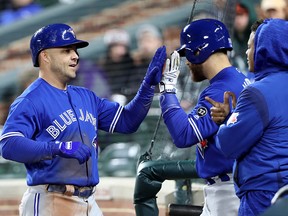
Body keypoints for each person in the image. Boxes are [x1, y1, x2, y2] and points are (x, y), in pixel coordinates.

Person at [0, 23, 166, 216]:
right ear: (44, 56)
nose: (75, 56)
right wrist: (58, 147)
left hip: (89, 201)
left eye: (75, 50)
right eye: (66, 50)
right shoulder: (30, 100)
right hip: (51, 201)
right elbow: (8, 144)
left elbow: (127, 121)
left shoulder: (86, 97)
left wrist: (147, 86)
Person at [133, 18, 250, 216]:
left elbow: (184, 135)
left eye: (188, 53)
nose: (186, 61)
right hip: (230, 186)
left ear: (200, 51)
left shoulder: (220, 90)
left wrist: (167, 90)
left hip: (228, 192)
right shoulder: (238, 79)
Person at [206, 18, 288, 216]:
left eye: (251, 46)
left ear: (264, 50)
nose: (246, 52)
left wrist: (226, 122)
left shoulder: (257, 92)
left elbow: (228, 144)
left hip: (266, 195)